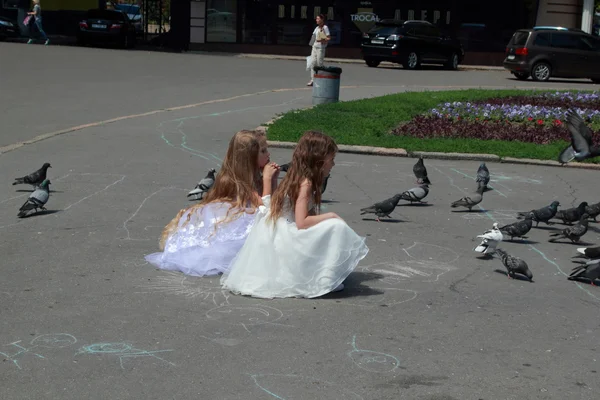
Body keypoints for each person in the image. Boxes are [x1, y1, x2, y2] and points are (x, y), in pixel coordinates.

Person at [221, 131, 369, 299]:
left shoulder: (305, 179)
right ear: (318, 160)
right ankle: (324, 279)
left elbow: (305, 215)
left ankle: (321, 274)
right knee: (336, 226)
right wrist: (331, 216)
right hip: (287, 234)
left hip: (285, 229)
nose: (333, 165)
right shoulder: (305, 183)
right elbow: (302, 222)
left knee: (330, 227)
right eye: (331, 160)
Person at [145, 130, 280, 277]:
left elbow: (272, 201)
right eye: (263, 151)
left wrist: (273, 181)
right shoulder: (239, 181)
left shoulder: (254, 175)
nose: (268, 154)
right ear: (250, 157)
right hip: (234, 220)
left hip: (246, 211)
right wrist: (268, 180)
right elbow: (266, 208)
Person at [307, 14, 331, 86]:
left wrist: (323, 39)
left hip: (321, 48)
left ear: (322, 20)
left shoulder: (325, 28)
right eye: (316, 19)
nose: (316, 20)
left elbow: (328, 38)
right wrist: (311, 44)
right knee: (312, 63)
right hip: (314, 47)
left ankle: (321, 78)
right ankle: (313, 80)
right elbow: (313, 37)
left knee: (319, 64)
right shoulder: (317, 28)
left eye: (318, 19)